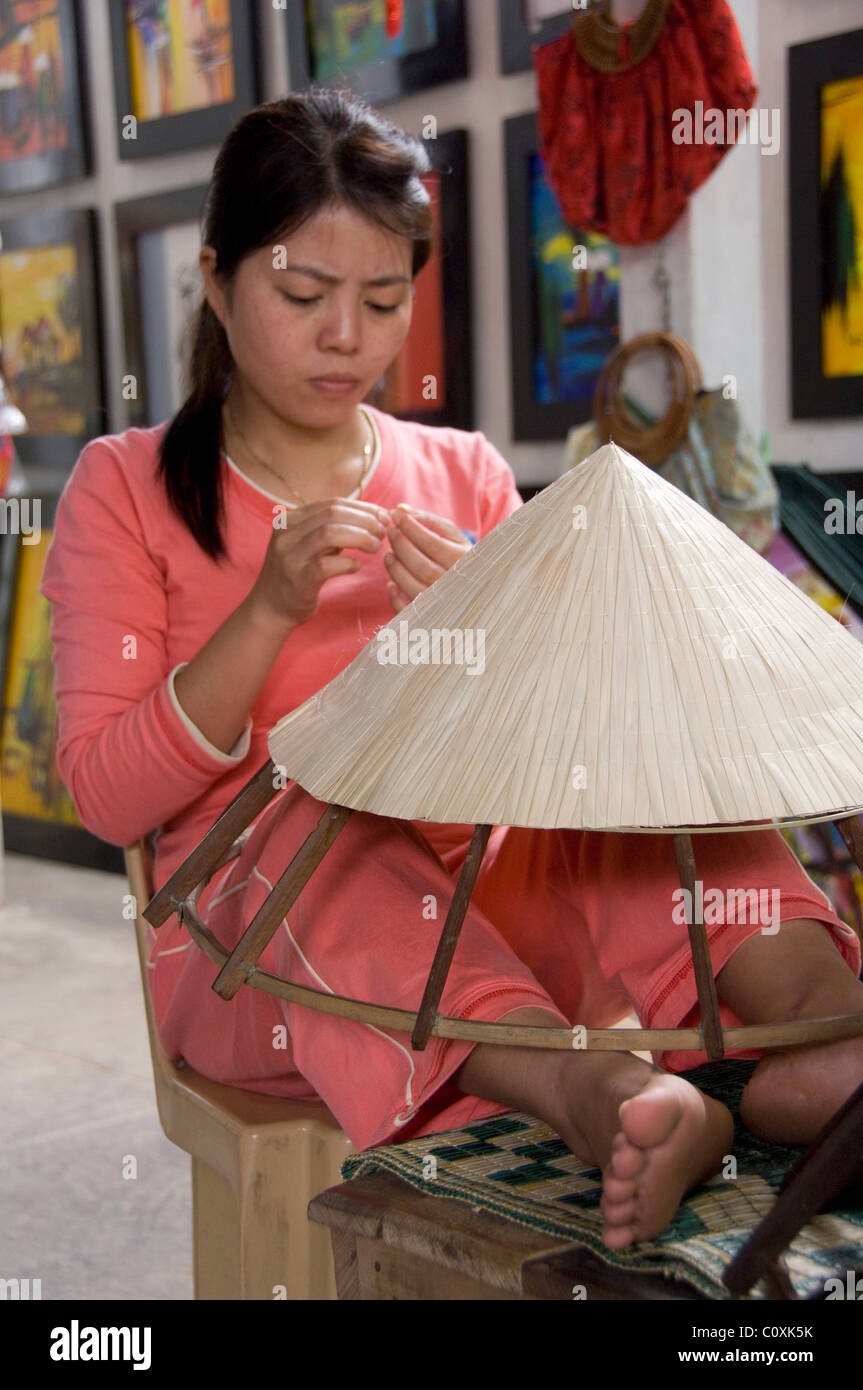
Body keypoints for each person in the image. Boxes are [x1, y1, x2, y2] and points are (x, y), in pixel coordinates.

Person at [40, 89, 863, 1252]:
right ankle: (606, 1096)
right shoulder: (124, 487)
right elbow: (106, 795)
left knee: (641, 807)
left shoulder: (461, 468)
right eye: (301, 296)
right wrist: (269, 610)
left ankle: (825, 1044)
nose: (347, 339)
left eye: (383, 301)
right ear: (218, 282)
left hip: (493, 892)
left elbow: (567, 745)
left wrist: (494, 639)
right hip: (263, 951)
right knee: (313, 815)